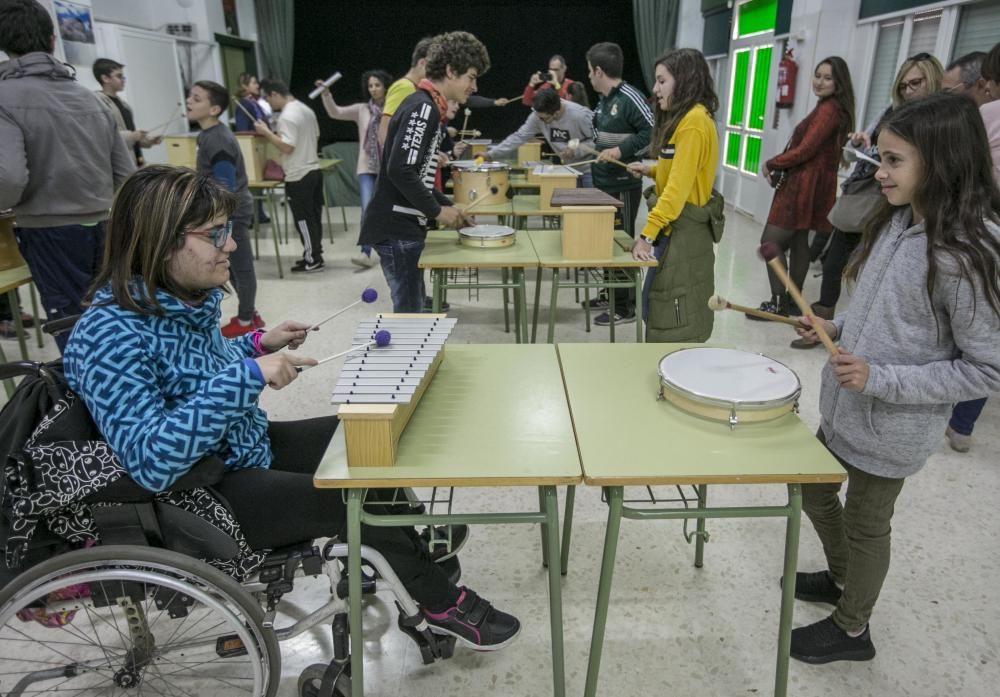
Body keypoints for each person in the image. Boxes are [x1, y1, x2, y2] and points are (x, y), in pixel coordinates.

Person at [63, 165, 521, 651]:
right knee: (343, 499)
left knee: (360, 440)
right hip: (194, 498)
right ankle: (437, 599)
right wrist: (249, 376)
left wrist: (259, 344)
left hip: (236, 451)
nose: (232, 245)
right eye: (215, 234)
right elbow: (150, 460)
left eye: (229, 230)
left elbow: (196, 371)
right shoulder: (107, 335)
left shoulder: (172, 302)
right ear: (160, 240)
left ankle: (407, 557)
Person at [787, 93, 1000, 664]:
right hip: (847, 409)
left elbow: (987, 368)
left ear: (943, 160)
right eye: (880, 157)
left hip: (891, 426)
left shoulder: (966, 250)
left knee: (865, 524)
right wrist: (833, 325)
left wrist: (881, 379)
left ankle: (853, 629)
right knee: (809, 490)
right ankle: (842, 579)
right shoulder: (899, 220)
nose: (879, 172)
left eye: (894, 160)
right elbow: (884, 313)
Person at [0, 0, 135, 352]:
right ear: (52, 41)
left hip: (50, 230)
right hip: (104, 223)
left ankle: (89, 403)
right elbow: (126, 174)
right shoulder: (90, 99)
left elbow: (9, 178)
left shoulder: (4, 97)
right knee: (111, 318)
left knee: (74, 326)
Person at [797, 53, 943, 350]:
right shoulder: (891, 113)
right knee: (844, 262)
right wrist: (861, 144)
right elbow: (851, 155)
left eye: (916, 83)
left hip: (898, 207)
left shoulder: (942, 124)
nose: (909, 91)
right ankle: (831, 321)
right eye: (903, 86)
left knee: (879, 272)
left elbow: (981, 364)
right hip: (866, 195)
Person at [359, 31, 489, 313]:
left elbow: (414, 177)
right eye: (471, 76)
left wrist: (448, 205)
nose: (474, 86)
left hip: (403, 226)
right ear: (451, 71)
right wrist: (437, 211)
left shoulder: (426, 106)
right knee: (409, 316)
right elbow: (399, 169)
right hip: (396, 228)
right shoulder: (423, 108)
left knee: (415, 309)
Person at [747, 57, 855, 320]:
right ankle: (794, 302)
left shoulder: (829, 110)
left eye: (827, 77)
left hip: (802, 186)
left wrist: (772, 162)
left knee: (770, 241)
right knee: (798, 242)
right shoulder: (833, 108)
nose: (819, 81)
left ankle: (778, 303)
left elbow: (806, 149)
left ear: (839, 82)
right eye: (817, 75)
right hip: (814, 186)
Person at [626, 48, 721, 343]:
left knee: (672, 318)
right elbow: (684, 172)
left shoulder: (693, 122)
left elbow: (678, 192)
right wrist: (651, 170)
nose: (655, 89)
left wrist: (647, 234)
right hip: (676, 230)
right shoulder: (687, 119)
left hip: (682, 231)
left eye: (661, 81)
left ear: (685, 80)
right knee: (654, 307)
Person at [946, 41, 1000, 452]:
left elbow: (961, 172)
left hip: (980, 226)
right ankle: (962, 424)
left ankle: (959, 421)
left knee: (977, 330)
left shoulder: (986, 116)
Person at [185, 80, 264, 338]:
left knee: (240, 268)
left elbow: (225, 186)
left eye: (197, 99)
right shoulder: (207, 134)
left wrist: (218, 220)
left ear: (215, 109)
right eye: (190, 96)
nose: (189, 101)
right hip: (221, 212)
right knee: (231, 269)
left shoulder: (218, 139)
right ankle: (249, 313)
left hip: (231, 212)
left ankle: (246, 321)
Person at [586, 41, 654, 325]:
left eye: (590, 71)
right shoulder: (604, 100)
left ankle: (625, 306)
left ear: (599, 71)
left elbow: (651, 130)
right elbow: (601, 135)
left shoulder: (630, 96)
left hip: (623, 184)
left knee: (622, 241)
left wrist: (620, 151)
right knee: (606, 240)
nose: (588, 76)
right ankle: (610, 292)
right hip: (602, 180)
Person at [316, 69, 393, 269]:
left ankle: (391, 249)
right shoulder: (362, 110)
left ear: (385, 86)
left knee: (389, 210)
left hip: (388, 168)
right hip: (367, 167)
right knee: (367, 209)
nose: (374, 89)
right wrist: (326, 94)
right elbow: (336, 112)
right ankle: (365, 252)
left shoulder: (393, 108)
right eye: (370, 86)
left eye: (377, 85)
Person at [255, 78, 325, 272]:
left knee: (303, 220)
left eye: (269, 100)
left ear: (275, 94)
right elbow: (316, 136)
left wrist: (266, 133)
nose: (269, 104)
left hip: (298, 174)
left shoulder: (287, 116)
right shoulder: (306, 109)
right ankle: (314, 254)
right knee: (314, 217)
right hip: (314, 170)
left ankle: (313, 258)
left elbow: (287, 146)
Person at [486, 89, 596, 186]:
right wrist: (491, 154)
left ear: (556, 113)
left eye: (544, 118)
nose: (539, 120)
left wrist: (575, 150)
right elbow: (518, 137)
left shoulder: (579, 115)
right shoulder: (538, 116)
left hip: (590, 171)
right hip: (567, 171)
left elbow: (599, 140)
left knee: (591, 208)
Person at [92, 58, 162, 166]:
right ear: (105, 78)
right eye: (119, 76)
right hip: (118, 165)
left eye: (123, 76)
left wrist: (147, 140)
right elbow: (104, 137)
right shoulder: (98, 105)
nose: (123, 80)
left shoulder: (125, 105)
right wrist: (133, 136)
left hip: (135, 162)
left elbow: (130, 137)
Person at [379, 37, 435, 147]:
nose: (436, 71)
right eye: (433, 66)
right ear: (422, 63)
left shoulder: (414, 88)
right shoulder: (404, 87)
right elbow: (384, 131)